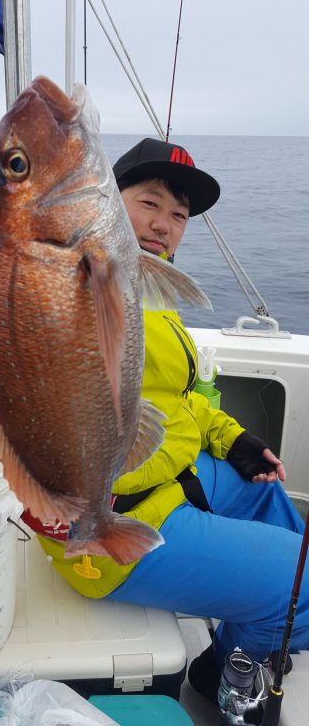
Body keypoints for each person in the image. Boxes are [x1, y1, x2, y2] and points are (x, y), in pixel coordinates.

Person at [30, 138, 309, 706]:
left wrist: (232, 438)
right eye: (149, 203)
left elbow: (177, 397)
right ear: (106, 203)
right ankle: (229, 672)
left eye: (178, 215)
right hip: (108, 527)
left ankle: (250, 631)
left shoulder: (152, 290)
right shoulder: (81, 285)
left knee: (270, 500)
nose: (164, 225)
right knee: (301, 583)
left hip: (168, 483)